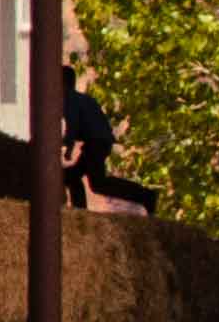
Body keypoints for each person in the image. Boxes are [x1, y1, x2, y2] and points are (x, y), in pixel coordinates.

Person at [61, 66, 158, 214]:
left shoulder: (69, 98)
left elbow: (72, 123)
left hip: (96, 142)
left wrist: (67, 147)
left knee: (98, 183)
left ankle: (145, 195)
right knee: (73, 176)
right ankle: (80, 213)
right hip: (98, 141)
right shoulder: (82, 98)